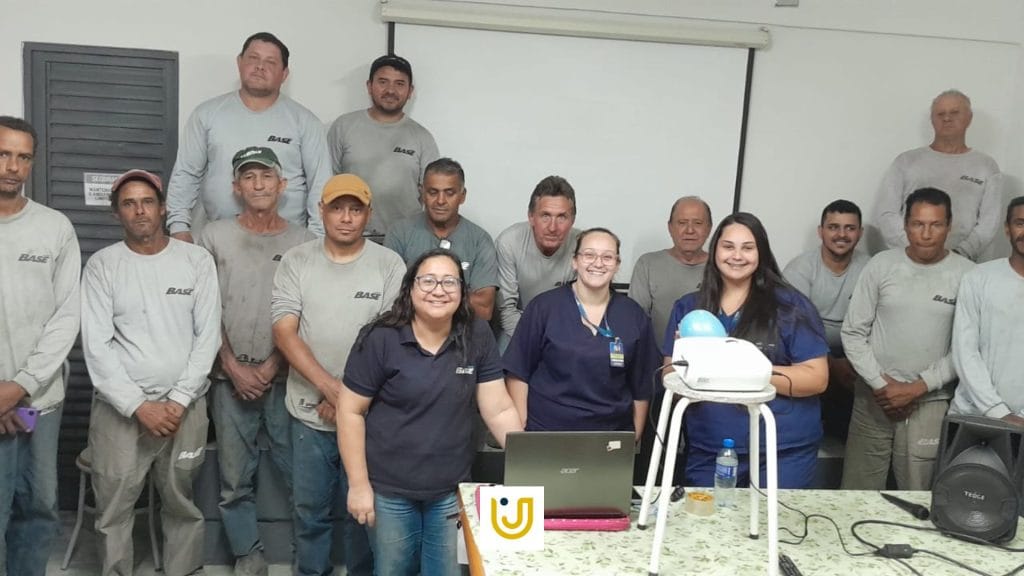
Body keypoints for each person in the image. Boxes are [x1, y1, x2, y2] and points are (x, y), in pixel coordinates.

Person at [338, 249, 523, 576]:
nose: (439, 290)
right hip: (388, 491)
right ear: (410, 288)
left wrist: (532, 463)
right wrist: (358, 485)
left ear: (462, 291)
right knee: (394, 571)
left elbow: (498, 408)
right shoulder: (381, 338)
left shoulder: (476, 334)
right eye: (428, 281)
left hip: (450, 490)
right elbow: (350, 411)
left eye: (449, 282)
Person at [81, 169, 220, 576]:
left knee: (182, 502)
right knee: (113, 506)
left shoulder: (195, 261)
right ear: (116, 213)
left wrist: (177, 400)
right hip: (120, 411)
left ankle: (184, 570)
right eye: (129, 203)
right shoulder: (103, 266)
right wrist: (138, 406)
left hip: (185, 409)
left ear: (162, 208)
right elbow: (96, 346)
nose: (139, 210)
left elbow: (208, 336)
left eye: (147, 202)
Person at [271, 174, 405, 576]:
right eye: (337, 208)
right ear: (321, 211)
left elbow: (391, 340)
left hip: (368, 416)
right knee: (309, 509)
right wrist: (329, 388)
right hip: (308, 410)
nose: (346, 218)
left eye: (355, 209)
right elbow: (284, 332)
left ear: (368, 214)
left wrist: (348, 398)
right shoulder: (297, 260)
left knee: (362, 511)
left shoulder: (388, 265)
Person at [196, 147, 314, 575]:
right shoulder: (213, 236)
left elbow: (307, 310)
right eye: (249, 177)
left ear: (282, 185)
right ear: (236, 187)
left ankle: (307, 554)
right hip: (228, 379)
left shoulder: (304, 242)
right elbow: (204, 308)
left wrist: (272, 365)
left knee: (301, 474)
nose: (258, 184)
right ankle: (248, 554)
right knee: (234, 480)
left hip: (287, 379)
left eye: (266, 176)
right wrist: (231, 365)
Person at [664, 212, 829, 489]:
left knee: (770, 518)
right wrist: (689, 361)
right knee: (707, 518)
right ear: (715, 251)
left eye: (748, 247)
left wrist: (742, 370)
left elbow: (816, 378)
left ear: (761, 253)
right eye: (728, 246)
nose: (737, 256)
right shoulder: (690, 308)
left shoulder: (791, 306)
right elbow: (669, 375)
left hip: (781, 450)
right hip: (709, 447)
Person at [841, 188, 974, 490]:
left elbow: (966, 347)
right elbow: (853, 332)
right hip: (874, 398)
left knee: (920, 494)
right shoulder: (881, 265)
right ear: (905, 225)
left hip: (930, 401)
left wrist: (917, 388)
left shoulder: (968, 275)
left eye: (935, 224)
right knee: (857, 490)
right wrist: (881, 384)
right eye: (917, 224)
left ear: (949, 226)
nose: (926, 234)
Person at [0, 116, 80, 576]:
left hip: (38, 403)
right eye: (3, 154)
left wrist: (19, 387)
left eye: (23, 157)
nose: (13, 166)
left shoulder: (54, 228)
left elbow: (66, 315)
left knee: (38, 504)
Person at [166, 31, 332, 240]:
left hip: (288, 243)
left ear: (284, 73)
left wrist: (316, 238)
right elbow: (186, 173)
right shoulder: (207, 114)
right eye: (253, 58)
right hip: (221, 241)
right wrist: (178, 226)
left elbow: (320, 183)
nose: (260, 66)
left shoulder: (305, 121)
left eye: (270, 62)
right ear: (239, 62)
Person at [504, 227, 659, 437]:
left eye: (607, 257)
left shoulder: (633, 315)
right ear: (575, 261)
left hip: (610, 434)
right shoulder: (544, 308)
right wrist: (522, 429)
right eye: (589, 255)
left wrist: (633, 439)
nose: (598, 263)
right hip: (546, 432)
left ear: (617, 265)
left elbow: (642, 386)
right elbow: (518, 371)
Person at [875, 89, 1002, 261]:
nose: (947, 118)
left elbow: (989, 222)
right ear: (932, 119)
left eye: (954, 112)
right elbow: (887, 213)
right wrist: (916, 250)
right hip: (909, 262)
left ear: (969, 118)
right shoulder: (906, 162)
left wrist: (961, 254)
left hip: (965, 263)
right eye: (940, 114)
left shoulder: (986, 166)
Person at [783, 200, 869, 440]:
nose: (841, 234)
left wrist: (855, 361)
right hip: (809, 353)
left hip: (855, 354)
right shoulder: (800, 269)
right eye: (833, 227)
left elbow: (878, 323)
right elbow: (796, 329)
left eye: (850, 228)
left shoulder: (871, 268)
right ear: (821, 232)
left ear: (860, 233)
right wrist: (831, 364)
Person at [328, 54, 439, 236]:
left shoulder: (422, 137)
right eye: (383, 82)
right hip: (351, 236)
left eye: (399, 84)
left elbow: (433, 193)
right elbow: (326, 183)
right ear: (369, 86)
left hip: (405, 239)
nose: (390, 90)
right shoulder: (343, 127)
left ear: (410, 91)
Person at [385, 158, 498, 320]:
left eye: (449, 193)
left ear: (462, 196)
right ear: (422, 193)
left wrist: (424, 292)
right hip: (409, 328)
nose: (440, 201)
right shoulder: (399, 233)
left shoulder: (480, 240)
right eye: (433, 192)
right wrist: (455, 294)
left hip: (462, 331)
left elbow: (484, 309)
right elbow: (392, 298)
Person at [950, 196, 1024, 423]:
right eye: (1020, 223)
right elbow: (965, 350)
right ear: (1007, 229)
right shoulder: (978, 277)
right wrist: (998, 411)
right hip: (973, 415)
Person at [495, 176, 581, 345]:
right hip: (519, 327)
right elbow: (506, 310)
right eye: (545, 216)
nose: (552, 227)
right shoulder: (509, 242)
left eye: (561, 217)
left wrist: (555, 344)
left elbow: (585, 310)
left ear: (572, 220)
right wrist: (541, 342)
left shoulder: (584, 247)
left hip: (565, 331)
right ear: (531, 217)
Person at [629, 196, 712, 341]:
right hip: (656, 354)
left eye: (698, 223)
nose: (690, 230)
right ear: (670, 227)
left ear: (709, 228)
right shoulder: (647, 264)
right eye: (682, 223)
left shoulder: (722, 267)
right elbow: (634, 320)